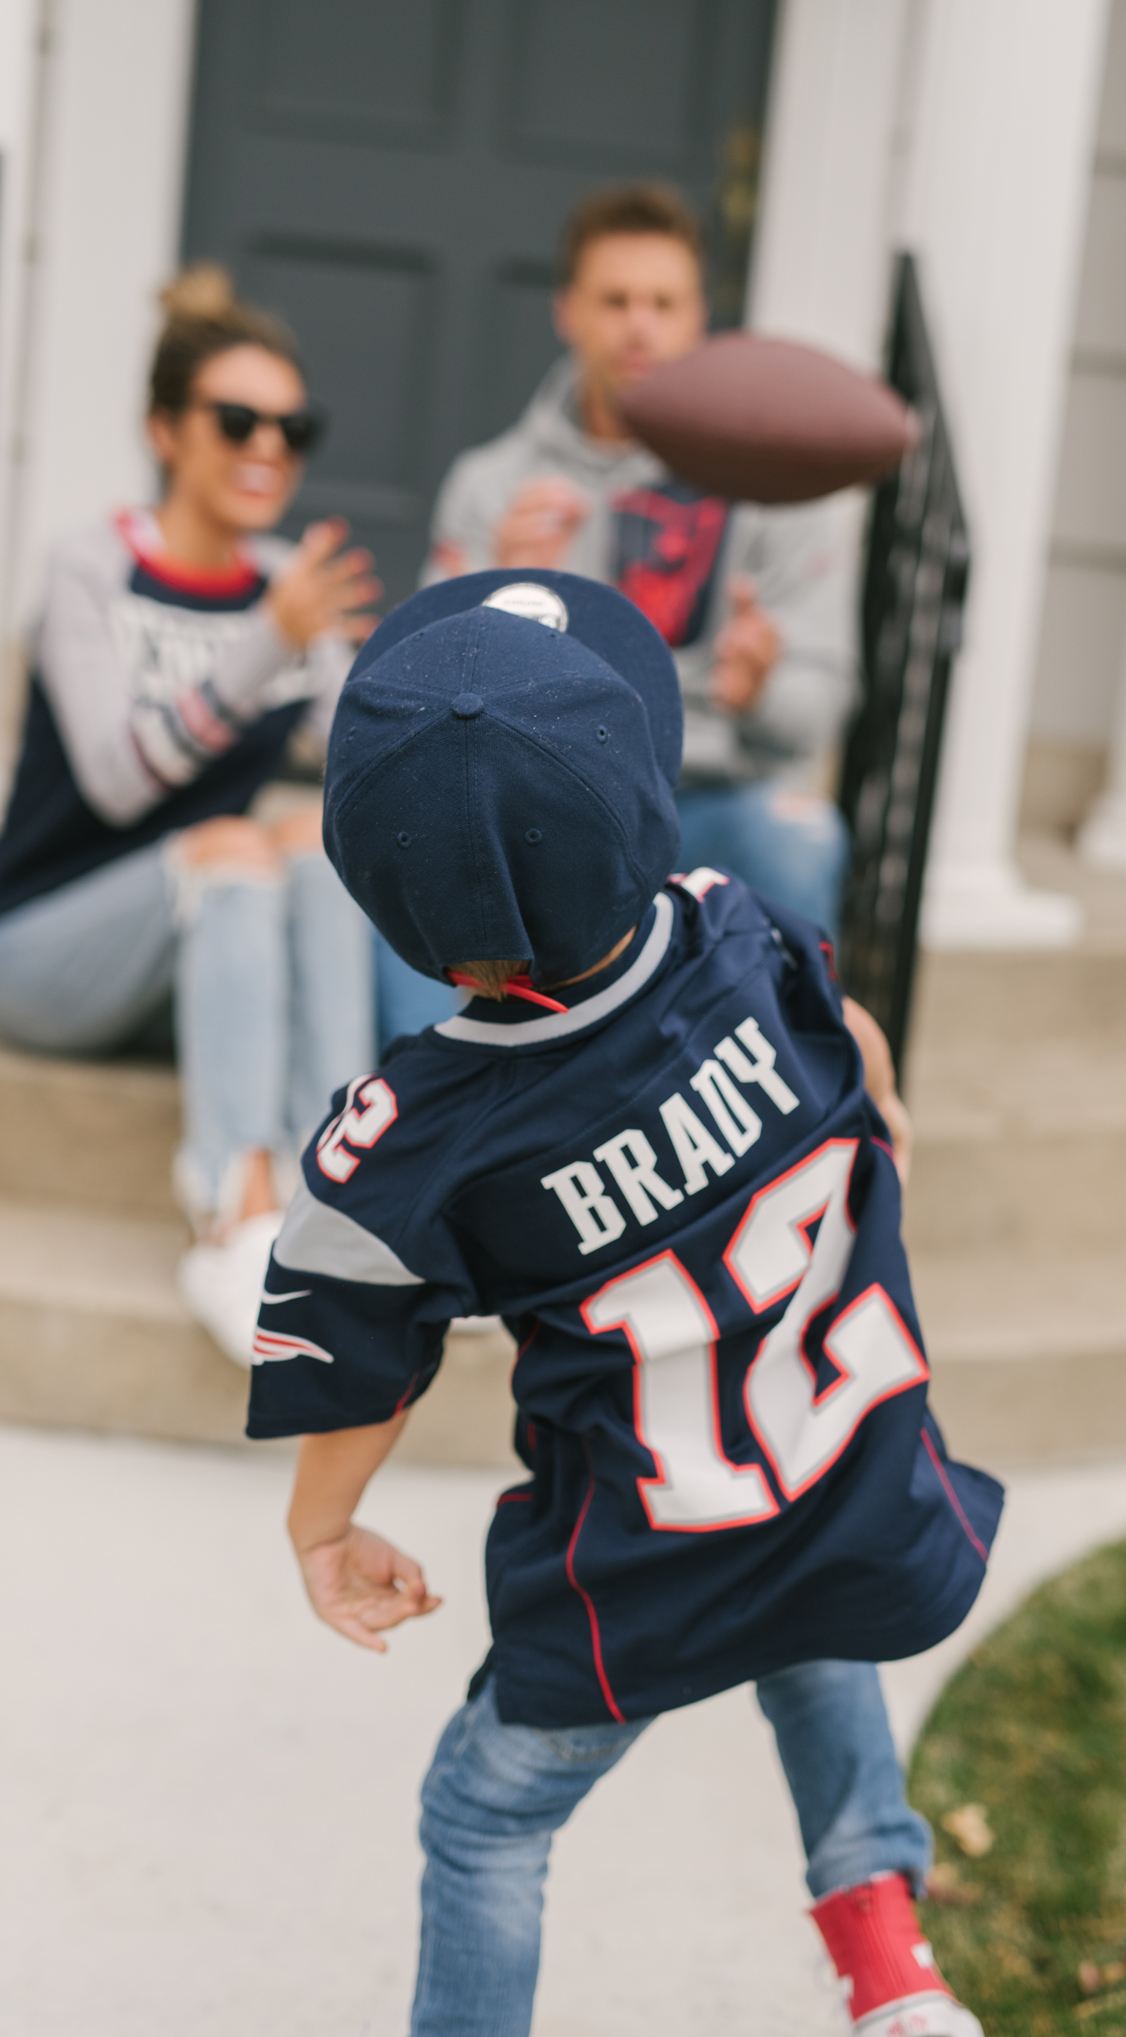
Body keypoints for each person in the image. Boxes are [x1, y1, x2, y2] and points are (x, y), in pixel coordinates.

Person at [246, 567, 1000, 2037]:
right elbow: (848, 1033)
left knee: (482, 1820)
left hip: (641, 1568)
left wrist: (322, 1528)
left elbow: (356, 1354)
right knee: (812, 1599)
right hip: (836, 1467)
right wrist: (883, 1111)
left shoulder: (416, 1139)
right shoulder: (743, 932)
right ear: (641, 807)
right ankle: (892, 1968)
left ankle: (873, 1962)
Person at [0, 265, 380, 1364]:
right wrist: (269, 639)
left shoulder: (282, 580)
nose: (268, 446)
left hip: (202, 943)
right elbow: (120, 781)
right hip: (42, 947)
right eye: (236, 419)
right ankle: (232, 1215)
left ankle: (341, 1199)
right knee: (231, 845)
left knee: (311, 837)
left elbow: (362, 756)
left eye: (291, 425)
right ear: (165, 430)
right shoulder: (94, 568)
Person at [423, 183, 855, 939]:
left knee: (797, 834)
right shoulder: (491, 486)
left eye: (663, 303)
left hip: (717, 792)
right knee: (431, 838)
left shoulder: (773, 485)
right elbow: (427, 706)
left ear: (699, 316)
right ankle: (439, 1061)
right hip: (545, 805)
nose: (639, 327)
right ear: (568, 311)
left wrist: (758, 692)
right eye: (615, 300)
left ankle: (787, 1057)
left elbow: (815, 713)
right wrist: (498, 599)